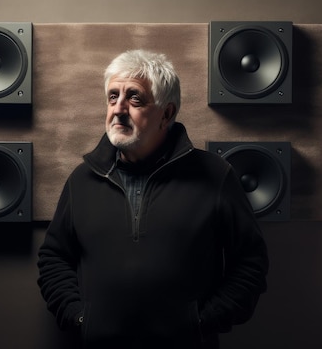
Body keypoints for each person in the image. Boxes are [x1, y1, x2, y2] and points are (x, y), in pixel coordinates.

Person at [37, 49, 268, 349]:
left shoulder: (216, 175)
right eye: (112, 97)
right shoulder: (82, 179)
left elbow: (250, 263)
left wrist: (201, 322)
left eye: (134, 98)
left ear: (167, 114)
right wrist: (80, 319)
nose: (118, 108)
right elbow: (53, 258)